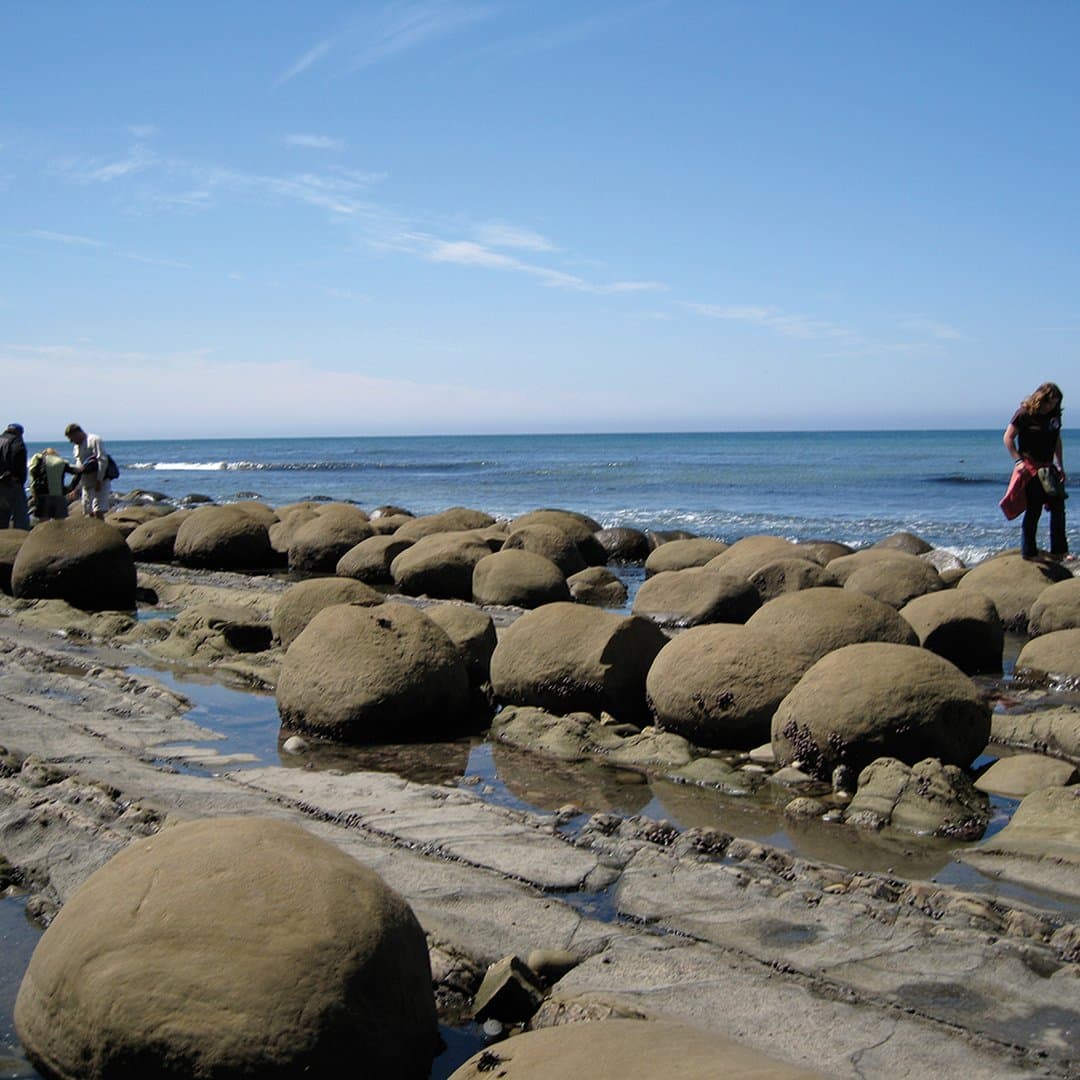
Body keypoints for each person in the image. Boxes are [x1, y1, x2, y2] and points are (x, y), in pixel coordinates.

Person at [1002, 382, 1069, 560]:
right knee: (1034, 508)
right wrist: (1018, 460)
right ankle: (1029, 552)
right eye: (1049, 403)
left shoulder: (1054, 416)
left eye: (1055, 403)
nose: (1052, 407)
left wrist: (1060, 464)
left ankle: (1059, 551)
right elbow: (1008, 437)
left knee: (1058, 506)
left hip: (1048, 467)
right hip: (1030, 467)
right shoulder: (1024, 414)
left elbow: (1056, 439)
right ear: (1041, 399)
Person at [64, 422, 112, 520]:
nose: (71, 441)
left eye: (71, 438)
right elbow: (79, 467)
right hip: (86, 483)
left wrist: (99, 480)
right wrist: (76, 488)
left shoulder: (94, 440)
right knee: (88, 511)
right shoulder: (76, 447)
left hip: (99, 482)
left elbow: (102, 460)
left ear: (78, 433)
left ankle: (100, 531)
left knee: (98, 510)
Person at [28, 447, 78, 521]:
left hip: (43, 495)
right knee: (60, 522)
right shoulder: (61, 462)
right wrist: (70, 488)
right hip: (59, 495)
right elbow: (76, 471)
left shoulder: (39, 462)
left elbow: (33, 479)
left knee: (43, 522)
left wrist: (34, 493)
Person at [0, 422, 30, 530]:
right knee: (20, 514)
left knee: (2, 515)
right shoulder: (16, 441)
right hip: (11, 482)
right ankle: (22, 540)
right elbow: (18, 458)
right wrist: (19, 478)